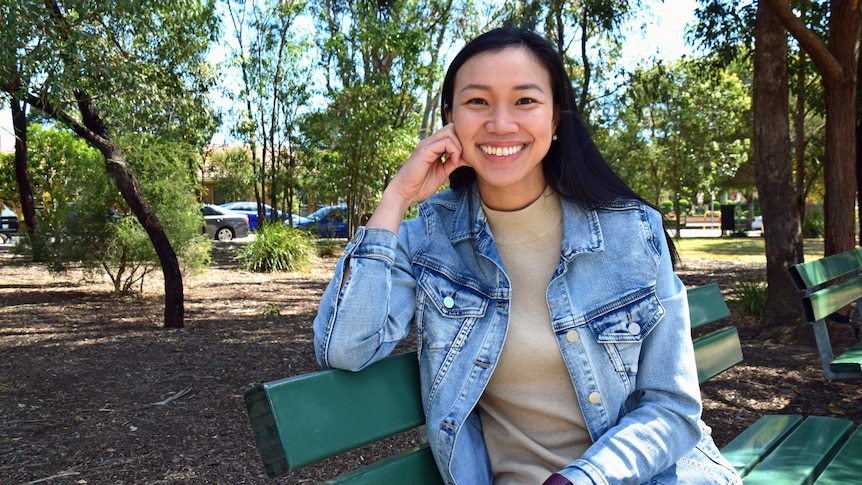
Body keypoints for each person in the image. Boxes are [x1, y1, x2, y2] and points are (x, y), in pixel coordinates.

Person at [313, 27, 741, 485]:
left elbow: (672, 407)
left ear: (555, 118)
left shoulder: (630, 231)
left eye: (525, 101)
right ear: (449, 117)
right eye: (478, 102)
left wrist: (582, 478)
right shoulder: (428, 241)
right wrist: (397, 196)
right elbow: (345, 347)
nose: (500, 124)